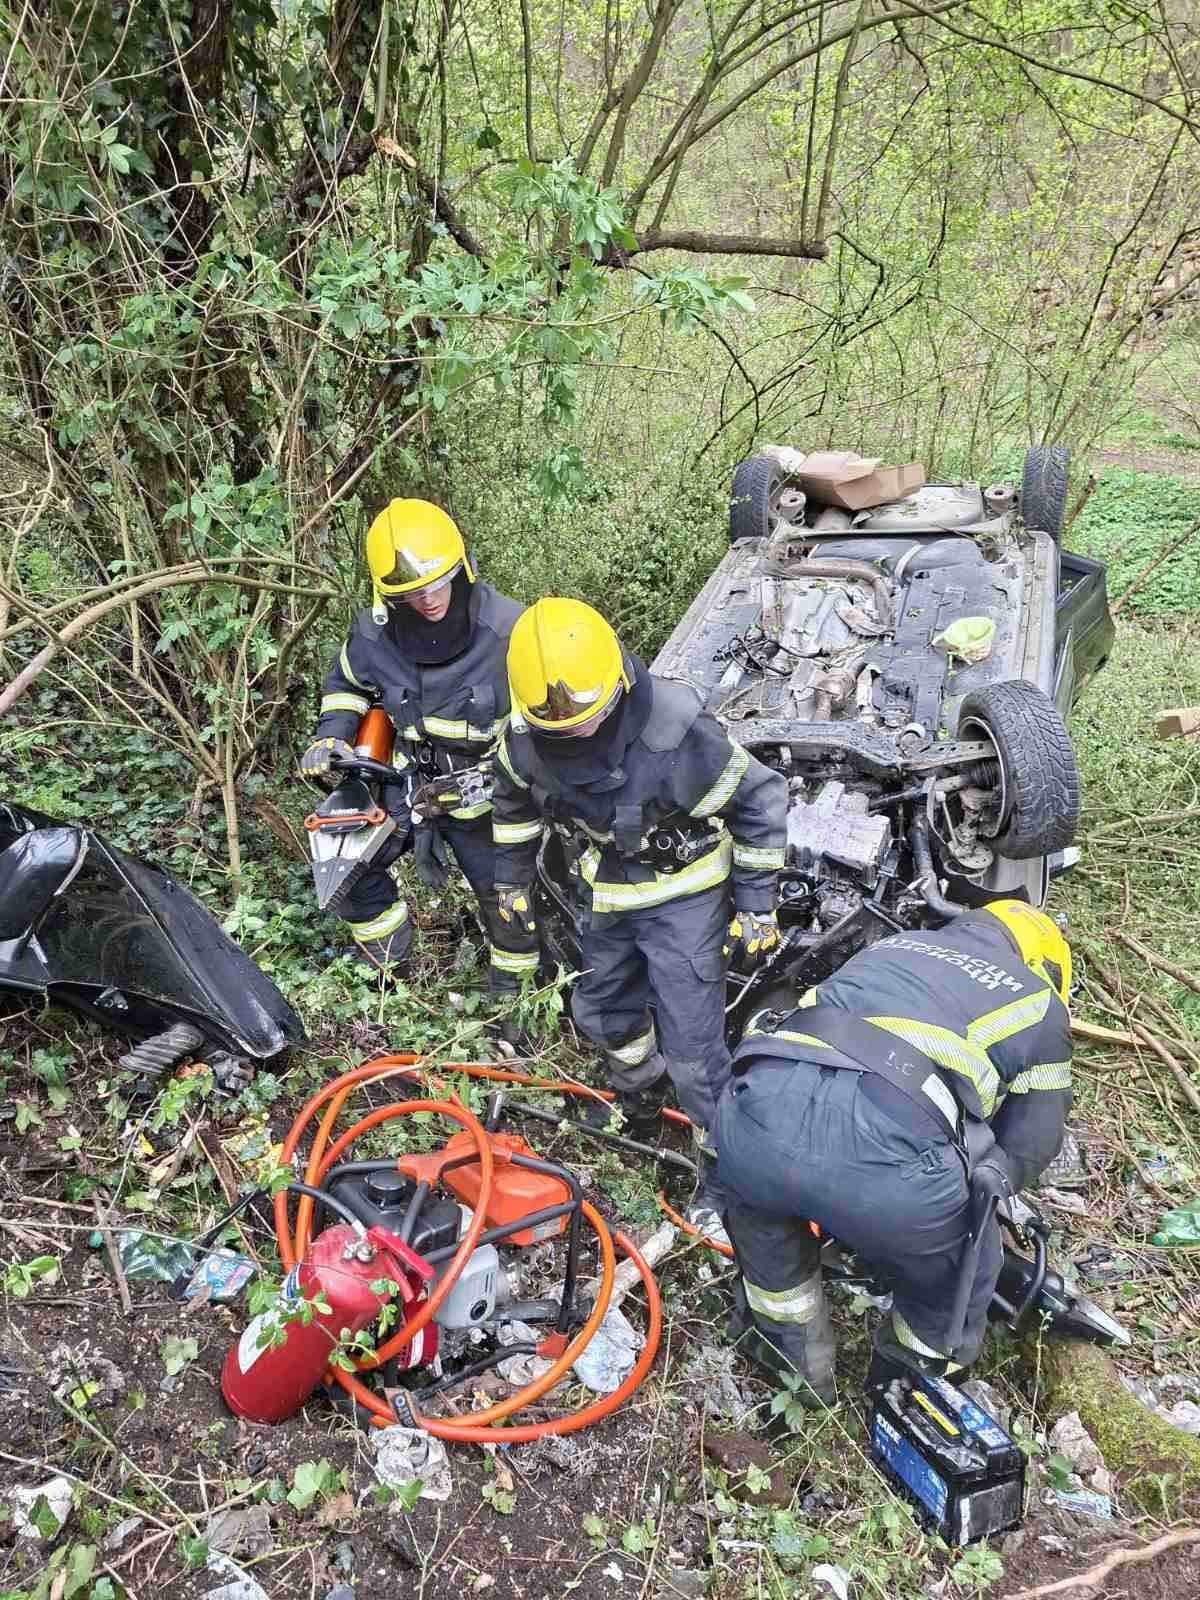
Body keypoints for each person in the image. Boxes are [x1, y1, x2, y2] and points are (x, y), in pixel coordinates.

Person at [490, 597, 787, 1234]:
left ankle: (722, 1177)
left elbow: (759, 797)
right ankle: (641, 1105)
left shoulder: (674, 733)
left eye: (583, 716)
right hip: (607, 890)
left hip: (686, 893)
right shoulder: (525, 743)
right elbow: (512, 808)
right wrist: (512, 882)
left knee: (694, 1051)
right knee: (606, 1012)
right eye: (553, 722)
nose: (569, 728)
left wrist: (758, 906)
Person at [714, 900, 1073, 1405]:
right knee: (962, 1273)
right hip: (890, 1159)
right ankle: (902, 1393)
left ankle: (798, 1381)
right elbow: (1030, 1143)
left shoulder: (894, 943)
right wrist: (975, 1192)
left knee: (770, 1251)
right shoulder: (1039, 1003)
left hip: (755, 1113)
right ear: (1045, 965)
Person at [300, 498, 538, 991]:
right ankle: (389, 968)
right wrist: (332, 736)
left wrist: (497, 784)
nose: (428, 599)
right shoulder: (374, 634)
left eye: (437, 582)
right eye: (410, 592)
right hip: (406, 787)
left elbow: (539, 739)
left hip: (485, 801)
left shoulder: (510, 635)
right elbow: (347, 684)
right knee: (342, 866)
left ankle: (513, 1001)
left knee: (510, 904)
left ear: (462, 568)